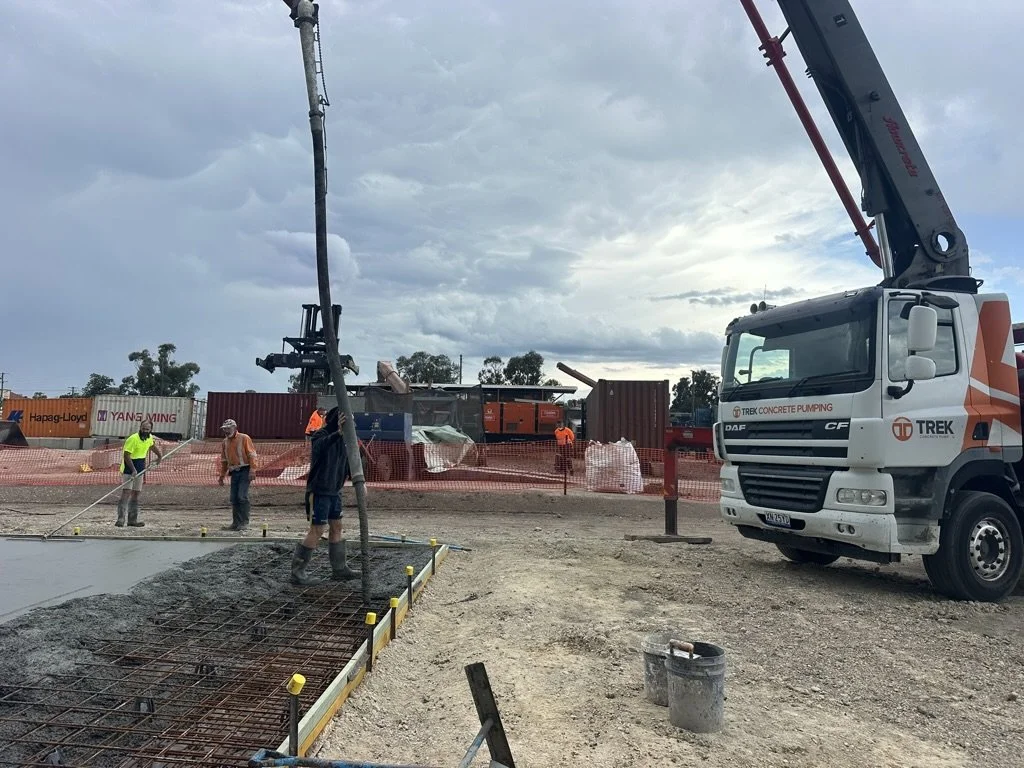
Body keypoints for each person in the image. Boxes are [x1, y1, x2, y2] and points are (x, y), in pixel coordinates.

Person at [291, 406, 360, 585]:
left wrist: (359, 481)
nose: (351, 424)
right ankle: (298, 572)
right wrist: (337, 433)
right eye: (348, 420)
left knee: (337, 526)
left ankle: (339, 569)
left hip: (335, 491)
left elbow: (349, 463)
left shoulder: (346, 440)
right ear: (337, 419)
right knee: (318, 529)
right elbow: (321, 446)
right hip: (320, 490)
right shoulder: (321, 435)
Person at [116, 419, 164, 528]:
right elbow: (126, 455)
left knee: (136, 494)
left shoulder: (149, 438)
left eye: (147, 429)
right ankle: (120, 518)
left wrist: (159, 456)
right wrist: (133, 470)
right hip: (129, 467)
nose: (145, 431)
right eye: (143, 429)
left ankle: (132, 520)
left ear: (150, 430)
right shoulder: (133, 439)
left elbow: (151, 446)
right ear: (140, 428)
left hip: (140, 466)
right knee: (126, 492)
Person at [218, 418, 258, 532]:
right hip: (234, 472)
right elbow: (224, 460)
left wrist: (253, 470)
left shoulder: (244, 438)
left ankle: (244, 523)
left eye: (228, 428)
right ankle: (236, 523)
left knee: (242, 496)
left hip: (245, 470)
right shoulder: (225, 442)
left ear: (234, 428)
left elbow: (252, 455)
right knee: (234, 498)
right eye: (224, 429)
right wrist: (221, 476)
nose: (226, 431)